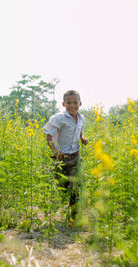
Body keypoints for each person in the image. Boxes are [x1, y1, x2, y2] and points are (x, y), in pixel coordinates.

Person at [43, 90, 88, 222]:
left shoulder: (81, 118)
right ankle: (65, 194)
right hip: (61, 159)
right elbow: (48, 136)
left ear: (80, 103)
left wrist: (83, 138)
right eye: (69, 103)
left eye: (75, 102)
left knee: (75, 187)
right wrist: (55, 150)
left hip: (75, 157)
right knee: (62, 187)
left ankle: (74, 218)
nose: (72, 106)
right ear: (63, 104)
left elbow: (79, 131)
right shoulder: (58, 118)